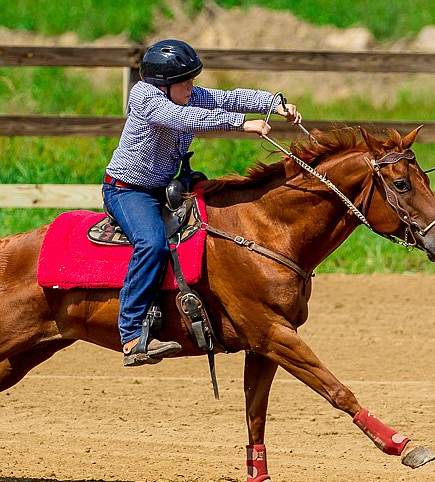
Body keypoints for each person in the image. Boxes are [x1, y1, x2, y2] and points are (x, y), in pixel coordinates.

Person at [103, 38, 301, 367]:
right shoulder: (146, 98)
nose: (192, 87)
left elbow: (230, 97)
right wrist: (240, 123)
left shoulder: (186, 94)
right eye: (185, 81)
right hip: (128, 191)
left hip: (168, 183)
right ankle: (131, 335)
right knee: (151, 244)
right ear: (163, 85)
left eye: (193, 79)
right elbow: (184, 120)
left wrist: (274, 103)